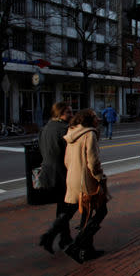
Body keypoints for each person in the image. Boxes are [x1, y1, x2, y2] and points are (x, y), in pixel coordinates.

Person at [40, 109, 109, 263]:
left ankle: (51, 237)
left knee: (77, 211)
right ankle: (78, 246)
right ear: (89, 120)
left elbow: (66, 160)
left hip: (73, 178)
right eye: (95, 117)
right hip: (86, 181)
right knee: (98, 211)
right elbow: (93, 161)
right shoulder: (89, 134)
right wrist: (99, 177)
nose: (98, 119)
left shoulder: (71, 134)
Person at [39, 102, 73, 253]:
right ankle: (51, 235)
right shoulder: (64, 130)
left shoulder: (45, 128)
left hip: (47, 172)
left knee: (62, 205)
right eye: (68, 112)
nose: (71, 115)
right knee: (70, 205)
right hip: (61, 173)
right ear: (59, 113)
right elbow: (69, 154)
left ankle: (64, 238)